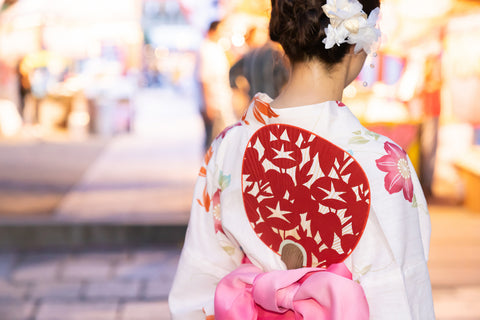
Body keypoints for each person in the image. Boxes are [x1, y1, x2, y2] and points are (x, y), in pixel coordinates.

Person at [170, 0, 435, 319]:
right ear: (358, 45)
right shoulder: (382, 161)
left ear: (283, 36)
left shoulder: (228, 146)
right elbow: (400, 290)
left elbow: (201, 274)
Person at [197, 20, 237, 150]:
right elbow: (205, 78)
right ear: (212, 31)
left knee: (219, 140)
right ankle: (209, 170)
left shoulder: (217, 48)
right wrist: (208, 104)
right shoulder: (206, 49)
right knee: (214, 142)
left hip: (220, 101)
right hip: (214, 103)